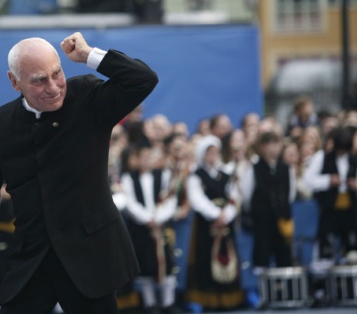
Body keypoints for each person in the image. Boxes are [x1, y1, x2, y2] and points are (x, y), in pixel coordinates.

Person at [0, 33, 159, 313]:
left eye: (57, 74)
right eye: (40, 80)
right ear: (14, 82)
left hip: (90, 254)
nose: (53, 87)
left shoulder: (87, 97)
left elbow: (143, 79)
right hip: (32, 259)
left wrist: (89, 55)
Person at [185, 135, 243, 312]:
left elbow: (234, 197)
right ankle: (205, 299)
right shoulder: (196, 175)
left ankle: (228, 298)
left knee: (228, 256)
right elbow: (197, 199)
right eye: (209, 152)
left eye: (215, 152)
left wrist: (227, 215)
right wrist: (216, 214)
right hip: (206, 225)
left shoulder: (225, 175)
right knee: (205, 258)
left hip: (226, 224)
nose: (212, 156)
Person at [120, 146, 178, 314]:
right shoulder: (128, 178)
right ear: (137, 159)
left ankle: (168, 302)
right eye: (142, 157)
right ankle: (150, 303)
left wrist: (159, 218)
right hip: (141, 228)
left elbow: (170, 199)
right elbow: (130, 203)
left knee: (166, 262)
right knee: (145, 263)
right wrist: (147, 219)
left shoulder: (164, 175)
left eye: (149, 156)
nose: (146, 160)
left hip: (161, 227)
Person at [240, 131, 295, 270]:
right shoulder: (254, 168)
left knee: (284, 257)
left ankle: (284, 290)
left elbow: (290, 194)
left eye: (276, 144)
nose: (273, 148)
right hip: (262, 221)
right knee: (261, 257)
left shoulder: (286, 168)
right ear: (262, 147)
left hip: (282, 220)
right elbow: (246, 195)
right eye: (269, 144)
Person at [304, 126, 357, 264]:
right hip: (329, 209)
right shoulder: (322, 157)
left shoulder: (353, 159)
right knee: (326, 248)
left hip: (351, 210)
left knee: (352, 248)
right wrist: (328, 180)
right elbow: (308, 179)